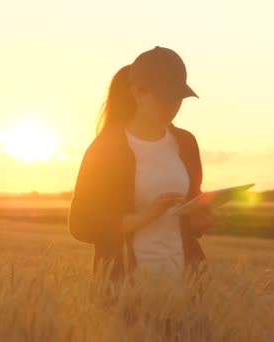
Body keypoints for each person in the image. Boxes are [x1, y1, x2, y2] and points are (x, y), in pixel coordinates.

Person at [68, 46, 214, 284]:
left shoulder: (186, 143)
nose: (173, 106)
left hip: (187, 286)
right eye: (164, 97)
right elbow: (80, 224)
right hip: (125, 288)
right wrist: (143, 217)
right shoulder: (106, 149)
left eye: (179, 97)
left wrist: (200, 217)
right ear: (137, 92)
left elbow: (190, 207)